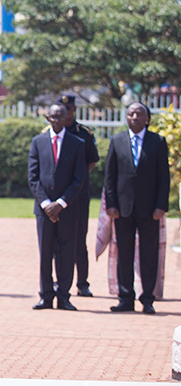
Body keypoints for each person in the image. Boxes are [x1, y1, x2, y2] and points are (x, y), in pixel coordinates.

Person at [104, 102, 169, 314]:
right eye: (130, 113)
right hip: (122, 209)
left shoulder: (157, 142)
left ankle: (148, 299)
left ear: (147, 119)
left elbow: (163, 178)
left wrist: (161, 206)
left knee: (149, 255)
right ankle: (125, 297)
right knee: (124, 253)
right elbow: (110, 177)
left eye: (139, 114)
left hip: (150, 209)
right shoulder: (117, 141)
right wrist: (111, 204)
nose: (134, 117)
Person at [28, 103, 86, 311]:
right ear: (47, 118)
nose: (57, 120)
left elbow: (79, 179)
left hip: (67, 208)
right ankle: (45, 296)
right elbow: (33, 178)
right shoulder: (38, 142)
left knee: (67, 253)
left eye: (60, 116)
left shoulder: (77, 143)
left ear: (67, 117)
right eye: (53, 117)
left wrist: (60, 204)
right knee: (45, 254)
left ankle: (63, 296)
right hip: (44, 210)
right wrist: (46, 205)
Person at [54, 95, 99, 297]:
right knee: (57, 241)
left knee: (79, 240)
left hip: (78, 195)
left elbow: (91, 162)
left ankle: (82, 282)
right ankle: (59, 281)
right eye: (63, 108)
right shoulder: (50, 133)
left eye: (69, 108)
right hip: (57, 197)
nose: (66, 112)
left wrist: (75, 179)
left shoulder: (84, 134)